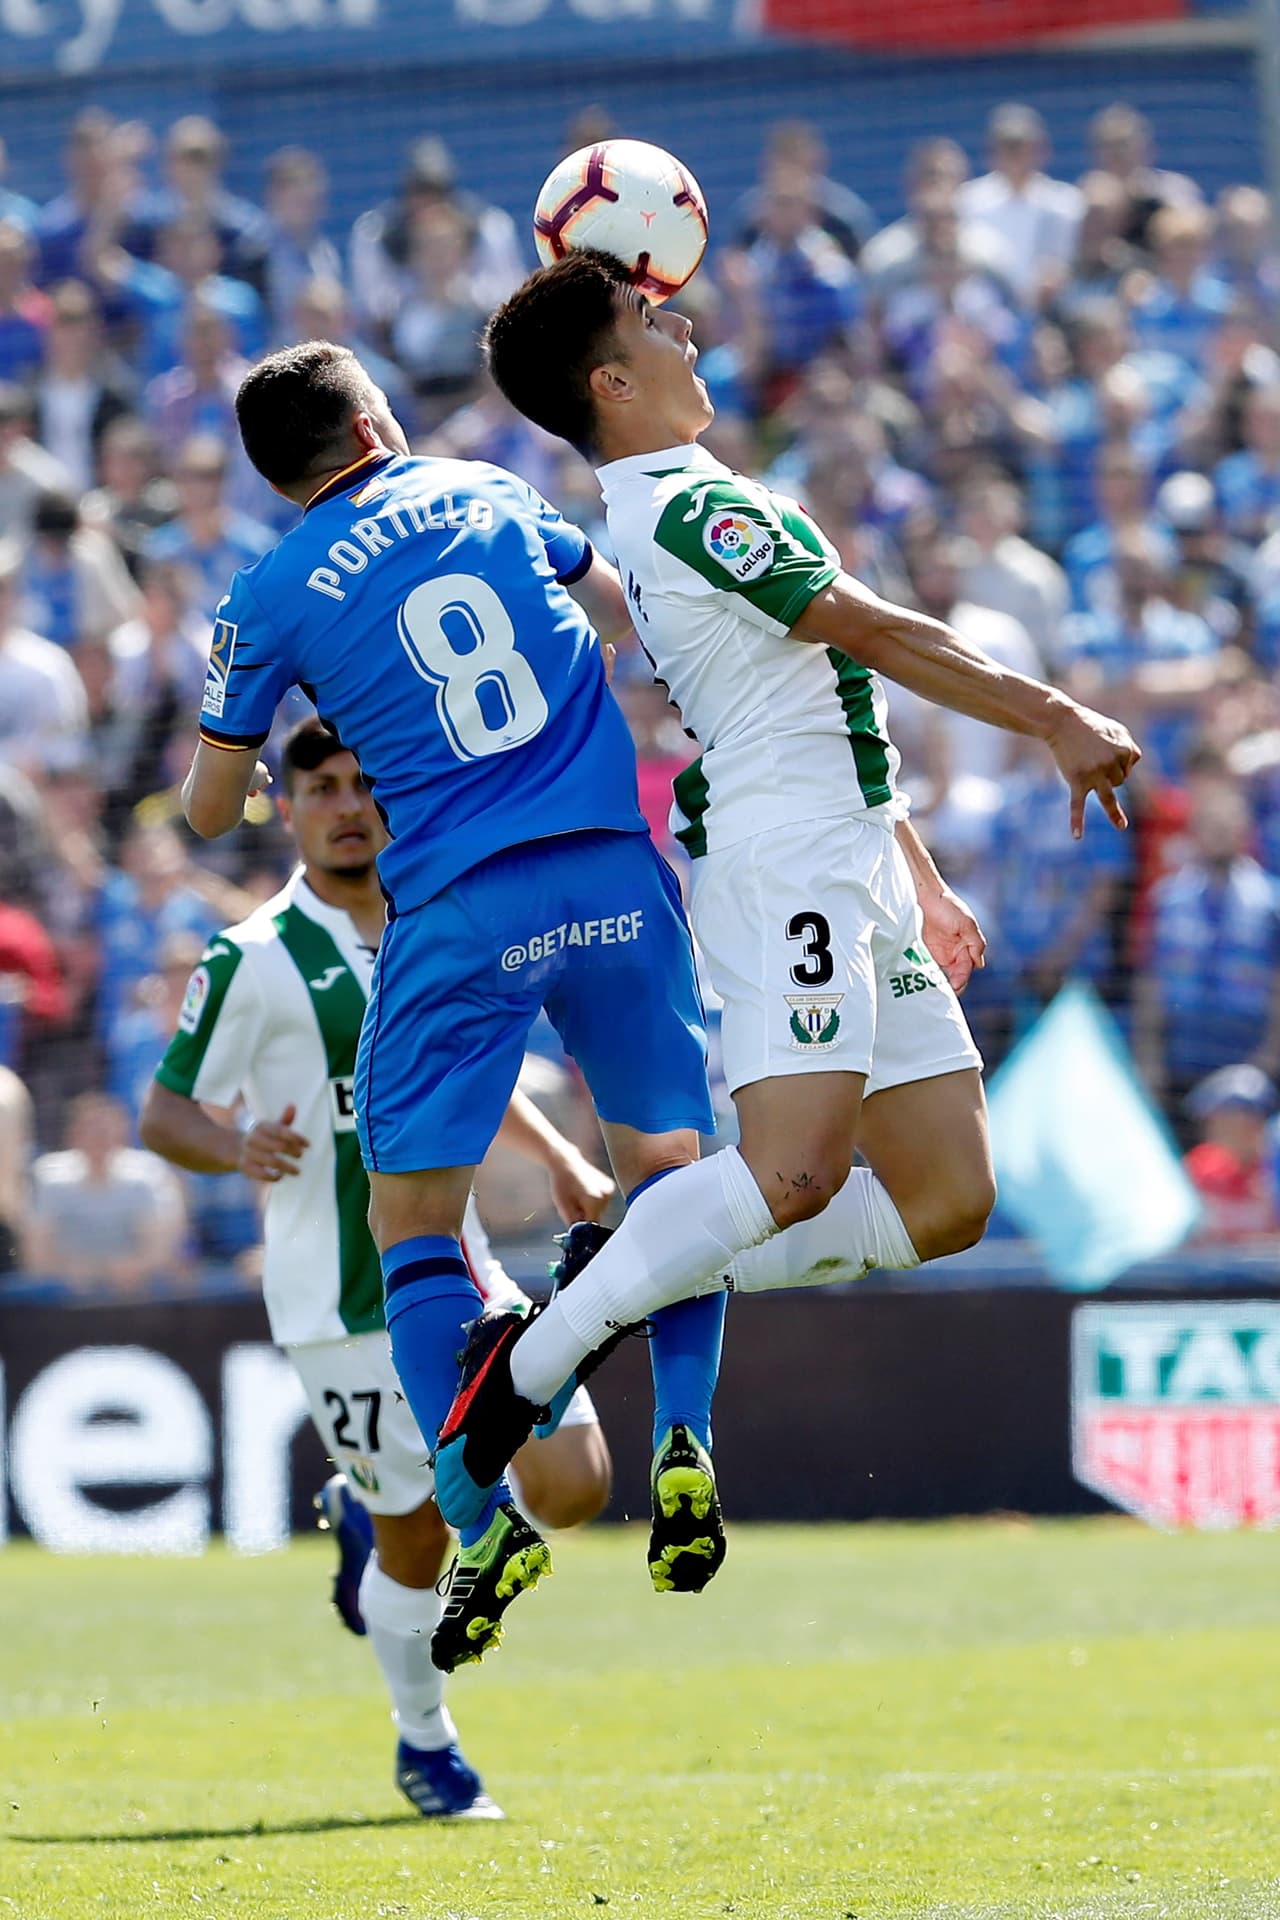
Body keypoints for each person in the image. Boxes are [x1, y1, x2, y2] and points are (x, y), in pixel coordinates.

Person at [464, 248, 1139, 1604]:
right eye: (656, 320)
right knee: (789, 1174)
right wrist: (1054, 715)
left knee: (947, 1199)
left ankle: (634, 1255)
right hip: (785, 860)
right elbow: (868, 629)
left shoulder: (685, 501)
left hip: (846, 845)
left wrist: (917, 867)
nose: (687, 325)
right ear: (611, 381)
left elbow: (818, 689)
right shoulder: (692, 507)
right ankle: (529, 1363)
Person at [178, 341, 725, 1666]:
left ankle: (478, 1519)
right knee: (671, 1168)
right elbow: (626, 620)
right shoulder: (486, 489)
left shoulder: (268, 594)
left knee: (413, 1220)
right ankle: (686, 1437)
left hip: (459, 911)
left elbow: (204, 812)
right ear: (374, 419)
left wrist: (270, 755)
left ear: (273, 474)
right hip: (609, 868)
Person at [142, 715, 612, 1815]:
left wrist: (557, 1163)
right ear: (288, 808)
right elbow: (165, 1111)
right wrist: (233, 1143)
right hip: (334, 1304)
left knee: (575, 1484)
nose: (348, 807)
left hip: (460, 1267)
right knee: (410, 1542)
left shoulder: (433, 926)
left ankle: (376, 1527)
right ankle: (426, 1744)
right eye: (321, 789)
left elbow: (470, 1075)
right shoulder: (251, 959)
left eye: (363, 785)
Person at [25, 1089, 186, 1294]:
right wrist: (69, 1270)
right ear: (72, 1134)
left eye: (105, 1130)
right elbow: (36, 1256)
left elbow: (160, 1251)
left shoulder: (147, 1175)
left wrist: (134, 1267)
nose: (98, 1138)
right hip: (62, 1300)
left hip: (137, 1298)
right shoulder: (48, 1176)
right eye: (89, 1129)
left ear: (123, 1132)